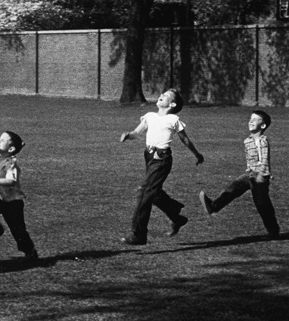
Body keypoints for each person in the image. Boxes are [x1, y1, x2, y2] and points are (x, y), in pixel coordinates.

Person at [119, 88, 204, 245]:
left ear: (172, 104)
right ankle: (175, 215)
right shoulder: (150, 116)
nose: (161, 96)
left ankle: (138, 234)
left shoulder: (173, 119)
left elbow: (185, 139)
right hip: (149, 156)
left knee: (144, 193)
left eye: (165, 96)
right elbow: (138, 131)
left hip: (162, 160)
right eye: (162, 94)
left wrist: (197, 155)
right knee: (153, 192)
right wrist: (128, 135)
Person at [198, 109, 280, 238]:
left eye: (255, 120)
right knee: (232, 189)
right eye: (250, 119)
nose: (251, 121)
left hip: (260, 176)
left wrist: (262, 174)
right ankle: (213, 206)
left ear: (263, 126)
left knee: (262, 205)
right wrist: (249, 170)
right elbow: (250, 159)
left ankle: (273, 231)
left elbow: (265, 158)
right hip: (249, 174)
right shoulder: (247, 141)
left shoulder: (263, 140)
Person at [0, 131, 38, 262]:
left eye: (2, 140)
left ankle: (30, 252)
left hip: (13, 203)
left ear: (10, 149)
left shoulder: (11, 164)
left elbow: (11, 181)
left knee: (18, 231)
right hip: (0, 197)